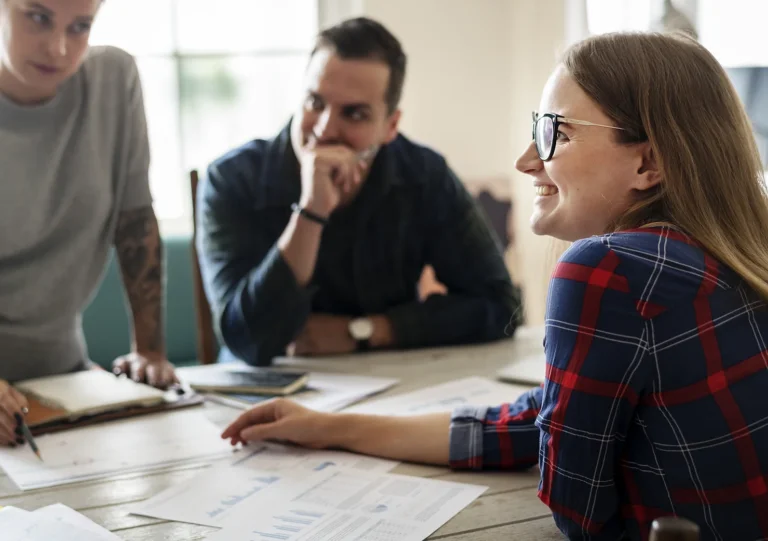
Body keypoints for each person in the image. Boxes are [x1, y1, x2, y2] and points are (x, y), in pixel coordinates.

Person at [221, 31, 768, 540]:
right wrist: (331, 428)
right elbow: (541, 415)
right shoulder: (726, 252)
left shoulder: (606, 268)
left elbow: (577, 512)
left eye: (555, 132)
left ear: (647, 162)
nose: (526, 160)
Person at [196, 17, 522, 366]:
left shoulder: (423, 176)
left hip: (387, 385)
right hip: (261, 395)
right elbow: (246, 341)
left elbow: (500, 307)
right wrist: (311, 211)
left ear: (390, 126)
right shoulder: (231, 179)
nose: (324, 129)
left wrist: (367, 330)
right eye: (315, 102)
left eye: (353, 114)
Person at [0, 0, 177, 447]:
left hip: (65, 378)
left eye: (80, 27)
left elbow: (134, 220)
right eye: (37, 18)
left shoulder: (114, 80)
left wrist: (150, 351)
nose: (58, 48)